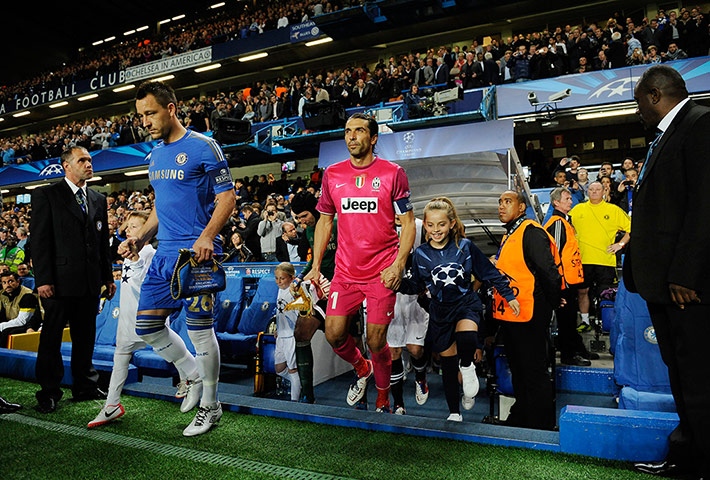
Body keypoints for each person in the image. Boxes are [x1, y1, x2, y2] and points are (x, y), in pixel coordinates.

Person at [118, 80, 236, 437]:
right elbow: (160, 206)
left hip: (196, 256)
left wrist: (207, 237)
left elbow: (228, 198)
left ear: (171, 108)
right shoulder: (155, 154)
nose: (146, 121)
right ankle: (191, 372)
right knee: (147, 327)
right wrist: (140, 237)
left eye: (150, 113)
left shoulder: (204, 147)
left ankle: (211, 406)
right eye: (141, 116)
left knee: (202, 331)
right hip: (164, 254)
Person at [626, 65, 710, 479]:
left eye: (640, 101)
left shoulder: (701, 123)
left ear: (656, 95)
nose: (637, 110)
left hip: (686, 286)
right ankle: (688, 457)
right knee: (682, 376)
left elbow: (704, 206)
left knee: (698, 377)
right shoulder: (666, 135)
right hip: (663, 284)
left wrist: (686, 272)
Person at [303, 113, 416, 413]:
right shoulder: (333, 174)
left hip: (381, 272)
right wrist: (315, 266)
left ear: (373, 138)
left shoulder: (393, 173)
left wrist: (399, 264)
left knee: (377, 339)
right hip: (345, 273)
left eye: (359, 131)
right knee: (334, 333)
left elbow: (408, 222)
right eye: (348, 131)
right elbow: (325, 221)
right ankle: (362, 368)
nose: (352, 136)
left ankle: (382, 396)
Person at [400, 198, 517, 421]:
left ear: (451, 223)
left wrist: (508, 295)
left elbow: (488, 273)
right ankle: (454, 411)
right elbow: (416, 285)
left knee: (467, 335)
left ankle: (468, 366)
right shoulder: (420, 255)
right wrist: (398, 284)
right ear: (424, 225)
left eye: (441, 224)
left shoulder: (465, 246)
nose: (436, 230)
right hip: (440, 312)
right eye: (431, 225)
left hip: (466, 304)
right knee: (448, 365)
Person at [88, 212, 201, 428]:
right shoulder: (129, 254)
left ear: (146, 234)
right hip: (128, 318)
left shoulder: (150, 253)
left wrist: (137, 261)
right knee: (120, 359)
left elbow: (148, 286)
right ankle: (111, 405)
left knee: (171, 354)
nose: (128, 230)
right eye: (127, 226)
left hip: (147, 318)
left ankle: (192, 376)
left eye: (134, 227)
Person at [31, 145, 116, 413]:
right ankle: (49, 391)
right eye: (82, 160)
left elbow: (102, 243)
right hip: (57, 281)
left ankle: (85, 385)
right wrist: (43, 279)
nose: (89, 164)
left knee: (85, 336)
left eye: (90, 160)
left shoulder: (98, 199)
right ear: (66, 165)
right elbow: (39, 240)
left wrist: (108, 276)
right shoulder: (46, 194)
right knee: (52, 337)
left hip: (90, 282)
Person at [493, 190, 562, 430]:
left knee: (533, 370)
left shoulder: (531, 232)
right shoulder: (509, 234)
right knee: (520, 369)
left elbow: (548, 271)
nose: (502, 206)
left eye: (508, 202)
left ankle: (541, 423)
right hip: (512, 315)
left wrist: (554, 301)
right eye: (500, 202)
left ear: (522, 207)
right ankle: (523, 413)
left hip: (531, 313)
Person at [569, 181, 630, 332]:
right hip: (583, 260)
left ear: (604, 191)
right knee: (582, 292)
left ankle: (608, 324)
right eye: (591, 189)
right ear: (587, 191)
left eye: (598, 189)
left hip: (605, 261)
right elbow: (567, 227)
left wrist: (620, 245)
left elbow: (631, 229)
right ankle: (584, 321)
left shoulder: (613, 210)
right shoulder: (577, 209)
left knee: (607, 294)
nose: (594, 192)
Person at [543, 188, 591, 366]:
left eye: (571, 198)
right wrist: (557, 282)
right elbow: (553, 254)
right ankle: (568, 355)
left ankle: (576, 348)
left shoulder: (565, 222)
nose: (571, 201)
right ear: (556, 203)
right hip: (562, 282)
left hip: (570, 281)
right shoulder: (556, 223)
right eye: (567, 198)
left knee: (570, 318)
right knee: (566, 319)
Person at [387, 216, 429, 415]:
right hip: (390, 297)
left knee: (415, 349)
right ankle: (398, 403)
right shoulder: (379, 225)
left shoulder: (420, 226)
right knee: (393, 352)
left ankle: (420, 377)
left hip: (414, 297)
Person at [273, 262, 302, 402]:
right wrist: (278, 328)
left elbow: (298, 313)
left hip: (291, 336)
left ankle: (294, 401)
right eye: (277, 278)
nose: (279, 281)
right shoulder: (279, 290)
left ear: (291, 278)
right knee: (279, 368)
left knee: (292, 369)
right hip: (281, 335)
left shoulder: (294, 291)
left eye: (282, 278)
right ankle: (298, 382)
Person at [0, 271, 42, 347]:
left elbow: (22, 321)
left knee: (7, 332)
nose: (7, 285)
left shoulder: (28, 295)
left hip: (27, 325)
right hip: (11, 323)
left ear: (18, 281)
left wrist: (1, 326)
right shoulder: (2, 294)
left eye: (10, 281)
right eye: (4, 282)